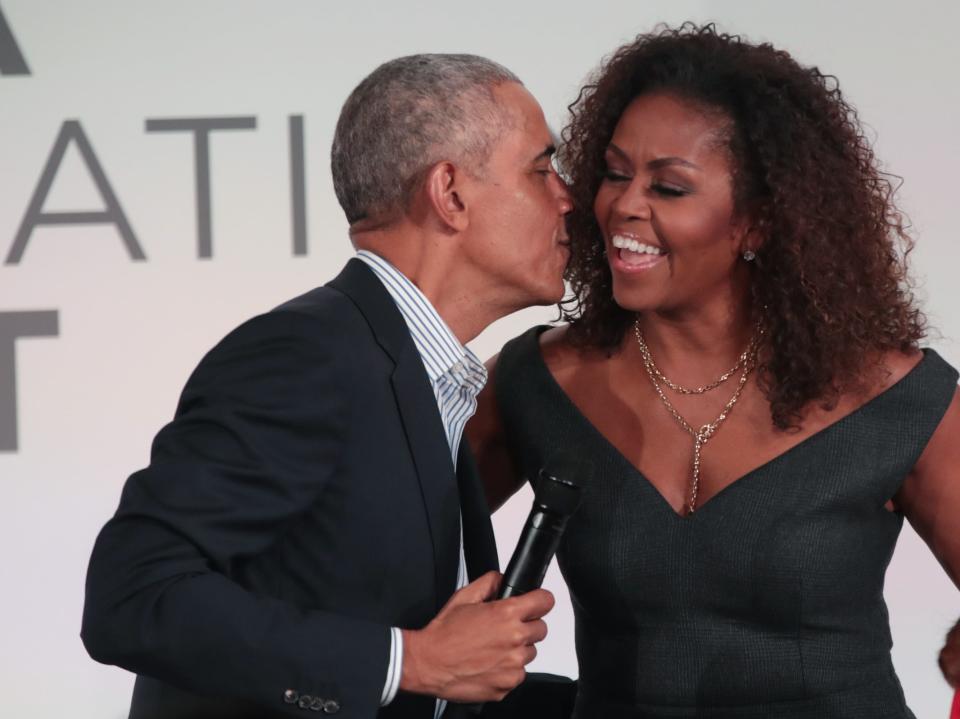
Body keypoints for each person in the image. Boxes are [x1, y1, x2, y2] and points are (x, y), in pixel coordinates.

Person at [467, 24, 960, 718]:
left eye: (669, 186)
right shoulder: (537, 380)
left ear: (759, 223)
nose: (623, 205)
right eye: (613, 172)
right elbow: (380, 550)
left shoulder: (899, 400)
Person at [81, 53, 574, 719]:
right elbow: (133, 595)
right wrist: (413, 658)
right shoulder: (303, 357)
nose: (569, 198)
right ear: (451, 193)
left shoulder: (418, 373)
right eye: (541, 170)